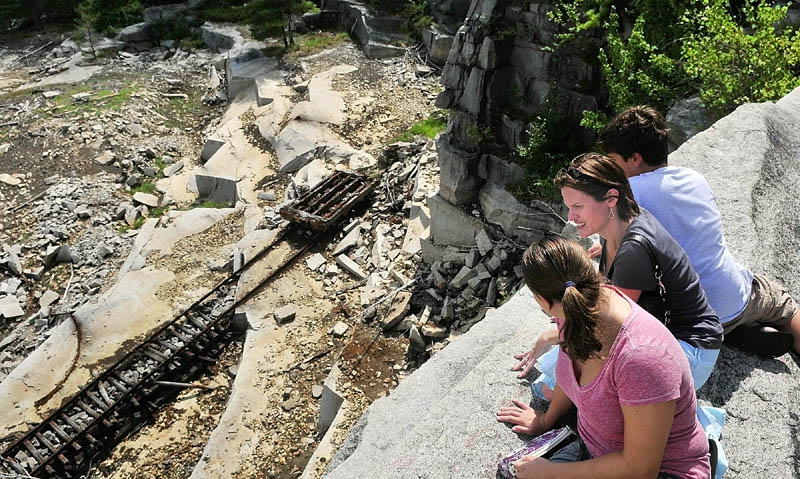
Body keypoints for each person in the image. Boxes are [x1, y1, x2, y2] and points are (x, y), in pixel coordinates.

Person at [497, 236, 711, 479]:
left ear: (543, 301)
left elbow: (640, 470)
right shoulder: (575, 308)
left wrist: (553, 473)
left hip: (663, 472)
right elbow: (568, 375)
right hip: (600, 454)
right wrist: (545, 421)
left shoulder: (642, 358)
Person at [597, 105, 800, 358]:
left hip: (685, 320)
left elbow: (618, 266)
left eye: (615, 161)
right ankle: (745, 330)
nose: (613, 169)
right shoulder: (694, 178)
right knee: (781, 302)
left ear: (635, 158)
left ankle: (735, 334)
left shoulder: (627, 195)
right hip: (733, 301)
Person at [516, 153, 723, 394]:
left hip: (690, 349)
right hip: (674, 333)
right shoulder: (620, 225)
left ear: (611, 199)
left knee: (554, 387)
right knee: (557, 372)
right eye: (569, 207)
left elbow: (607, 327)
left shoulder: (633, 251)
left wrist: (548, 337)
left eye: (578, 207)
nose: (571, 217)